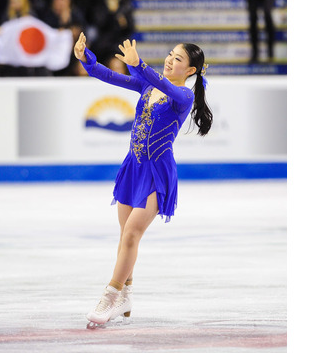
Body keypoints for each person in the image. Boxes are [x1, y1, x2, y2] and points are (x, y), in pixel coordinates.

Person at [73, 32, 213, 328]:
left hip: (157, 172)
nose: (170, 61)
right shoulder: (148, 85)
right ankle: (126, 293)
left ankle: (110, 296)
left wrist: (139, 66)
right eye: (170, 55)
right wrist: (86, 57)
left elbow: (166, 86)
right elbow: (108, 75)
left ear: (190, 71)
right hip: (133, 167)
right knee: (125, 235)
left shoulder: (183, 96)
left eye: (178, 59)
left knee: (133, 234)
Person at [89, 0, 135, 73]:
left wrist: (124, 23)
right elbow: (99, 23)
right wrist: (113, 15)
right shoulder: (99, 5)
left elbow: (130, 28)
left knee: (121, 60)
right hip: (103, 45)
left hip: (120, 44)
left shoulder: (126, 5)